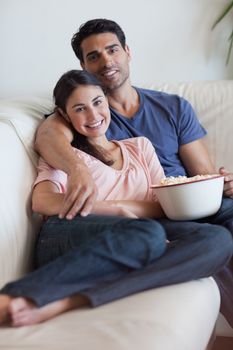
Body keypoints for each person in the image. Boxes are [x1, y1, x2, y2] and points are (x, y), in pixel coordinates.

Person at [34, 19, 233, 327]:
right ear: (83, 65)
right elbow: (48, 137)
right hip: (145, 213)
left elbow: (202, 173)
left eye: (112, 49)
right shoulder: (87, 116)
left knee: (228, 218)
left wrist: (222, 183)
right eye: (93, 56)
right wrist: (77, 171)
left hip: (180, 201)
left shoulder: (173, 107)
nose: (106, 60)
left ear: (127, 51)